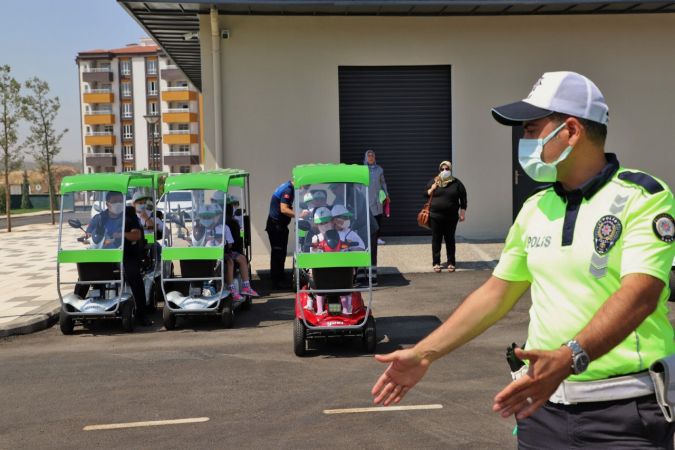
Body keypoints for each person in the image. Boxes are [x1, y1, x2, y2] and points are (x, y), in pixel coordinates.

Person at [371, 71, 675, 448]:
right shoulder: (535, 207)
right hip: (541, 410)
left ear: (572, 131)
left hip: (625, 413)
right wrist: (423, 354)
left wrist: (570, 356)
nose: (524, 141)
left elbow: (641, 294)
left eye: (531, 130)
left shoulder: (643, 197)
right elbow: (496, 294)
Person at [77, 191, 151, 326]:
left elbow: (136, 235)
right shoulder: (100, 218)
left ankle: (141, 313)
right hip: (102, 255)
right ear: (108, 204)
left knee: (134, 273)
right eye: (114, 201)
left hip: (125, 254)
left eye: (120, 201)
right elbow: (89, 233)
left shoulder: (129, 216)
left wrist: (122, 235)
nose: (118, 204)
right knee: (85, 272)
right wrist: (86, 237)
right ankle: (76, 308)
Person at [424, 161, 467, 273]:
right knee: (436, 239)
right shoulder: (434, 181)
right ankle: (436, 262)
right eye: (442, 169)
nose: (444, 171)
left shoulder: (456, 183)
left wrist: (462, 213)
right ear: (439, 170)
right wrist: (432, 188)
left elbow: (463, 198)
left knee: (450, 239)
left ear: (450, 169)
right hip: (435, 216)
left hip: (451, 217)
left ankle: (451, 262)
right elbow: (424, 194)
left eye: (447, 169)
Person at [364, 149, 389, 286]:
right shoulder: (362, 169)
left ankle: (377, 237)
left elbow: (383, 182)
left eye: (373, 155)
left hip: (376, 201)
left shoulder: (379, 169)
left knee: (377, 221)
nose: (371, 157)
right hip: (365, 202)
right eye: (369, 155)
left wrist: (386, 194)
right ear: (365, 157)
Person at [266, 179, 295, 289]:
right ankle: (277, 281)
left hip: (278, 225)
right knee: (278, 252)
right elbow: (284, 209)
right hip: (276, 226)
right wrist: (298, 214)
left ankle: (279, 277)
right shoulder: (288, 190)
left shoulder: (287, 186)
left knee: (279, 252)